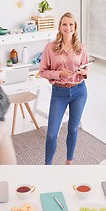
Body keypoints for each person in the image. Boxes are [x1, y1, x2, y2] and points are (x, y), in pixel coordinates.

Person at [39, 12, 88, 165]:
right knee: (52, 133)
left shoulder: (81, 48)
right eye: (64, 24)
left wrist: (83, 72)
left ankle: (69, 162)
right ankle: (48, 165)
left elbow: (86, 70)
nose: (68, 27)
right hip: (59, 93)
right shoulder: (50, 48)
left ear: (75, 27)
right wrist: (60, 73)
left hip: (79, 91)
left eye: (71, 24)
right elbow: (42, 71)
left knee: (73, 129)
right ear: (60, 27)